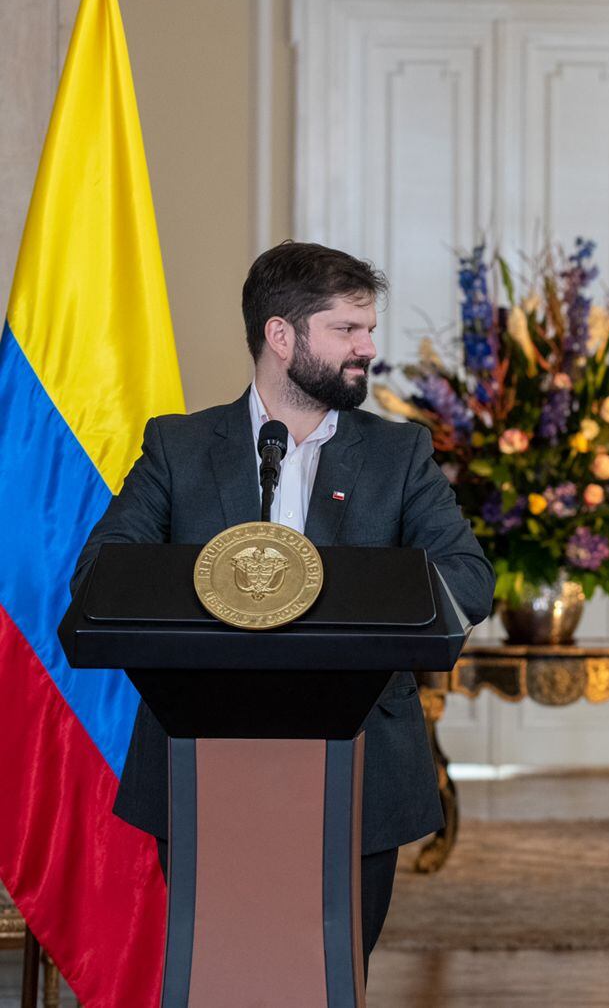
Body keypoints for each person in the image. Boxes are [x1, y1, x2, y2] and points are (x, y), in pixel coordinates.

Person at [71, 241, 495, 970]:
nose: (368, 347)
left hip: (359, 763)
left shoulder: (399, 456)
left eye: (368, 328)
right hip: (200, 759)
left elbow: (468, 577)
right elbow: (103, 573)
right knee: (224, 970)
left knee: (331, 971)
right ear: (281, 335)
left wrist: (349, 597)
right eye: (347, 329)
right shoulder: (178, 447)